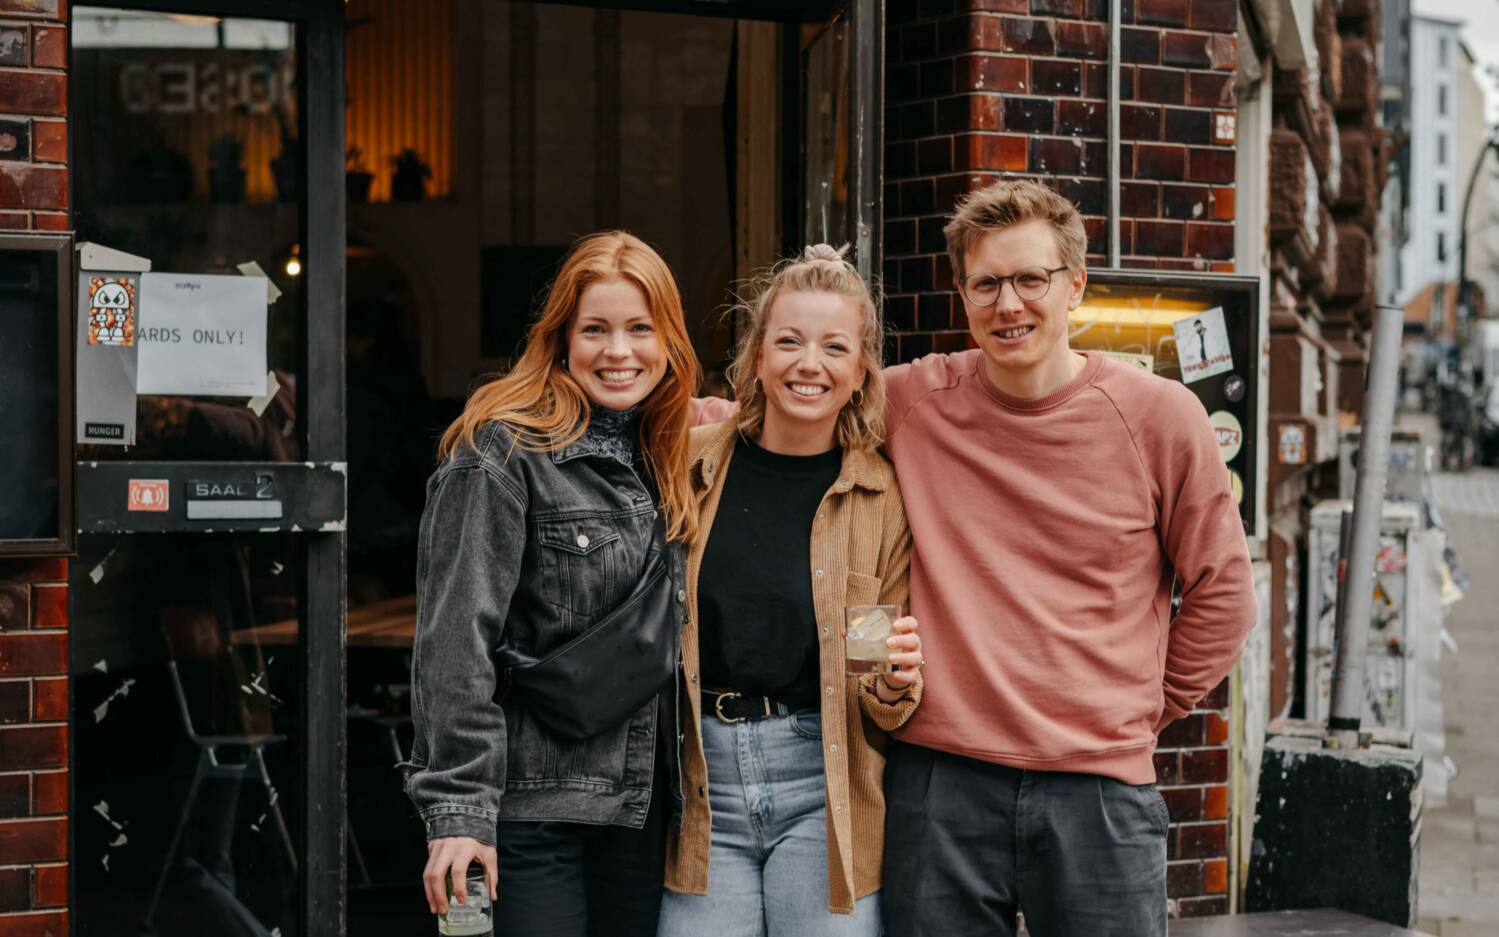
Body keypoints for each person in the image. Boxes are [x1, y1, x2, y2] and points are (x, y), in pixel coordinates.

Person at [694, 180, 1255, 936]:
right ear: (962, 293)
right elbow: (799, 397)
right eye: (987, 283)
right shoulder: (917, 401)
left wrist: (1141, 708)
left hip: (1097, 790)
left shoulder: (1161, 418)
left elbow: (1224, 594)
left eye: (1031, 279)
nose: (1009, 304)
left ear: (1075, 284)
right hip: (941, 784)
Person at [404, 230, 701, 937]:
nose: (618, 351)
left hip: (639, 811)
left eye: (640, 328)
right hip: (532, 811)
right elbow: (453, 641)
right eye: (595, 328)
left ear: (668, 341)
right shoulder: (499, 451)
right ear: (561, 336)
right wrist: (460, 811)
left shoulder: (669, 453)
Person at [659, 245, 923, 937]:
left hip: (823, 787)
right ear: (756, 358)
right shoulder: (691, 463)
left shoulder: (877, 498)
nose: (811, 364)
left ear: (860, 369)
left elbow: (874, 676)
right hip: (699, 786)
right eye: (789, 341)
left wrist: (893, 685)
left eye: (835, 346)